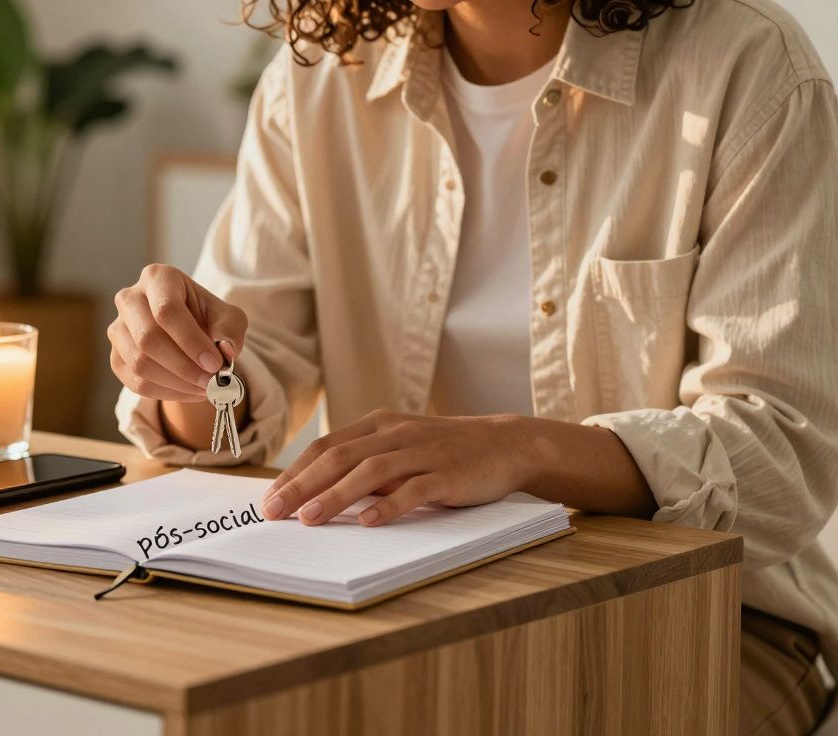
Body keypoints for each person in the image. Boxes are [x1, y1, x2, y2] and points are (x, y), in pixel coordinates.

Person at [109, 0, 838, 732]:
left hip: (708, 617)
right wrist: (185, 367)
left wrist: (520, 449)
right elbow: (241, 392)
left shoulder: (746, 64)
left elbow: (782, 453)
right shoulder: (323, 76)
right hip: (405, 604)